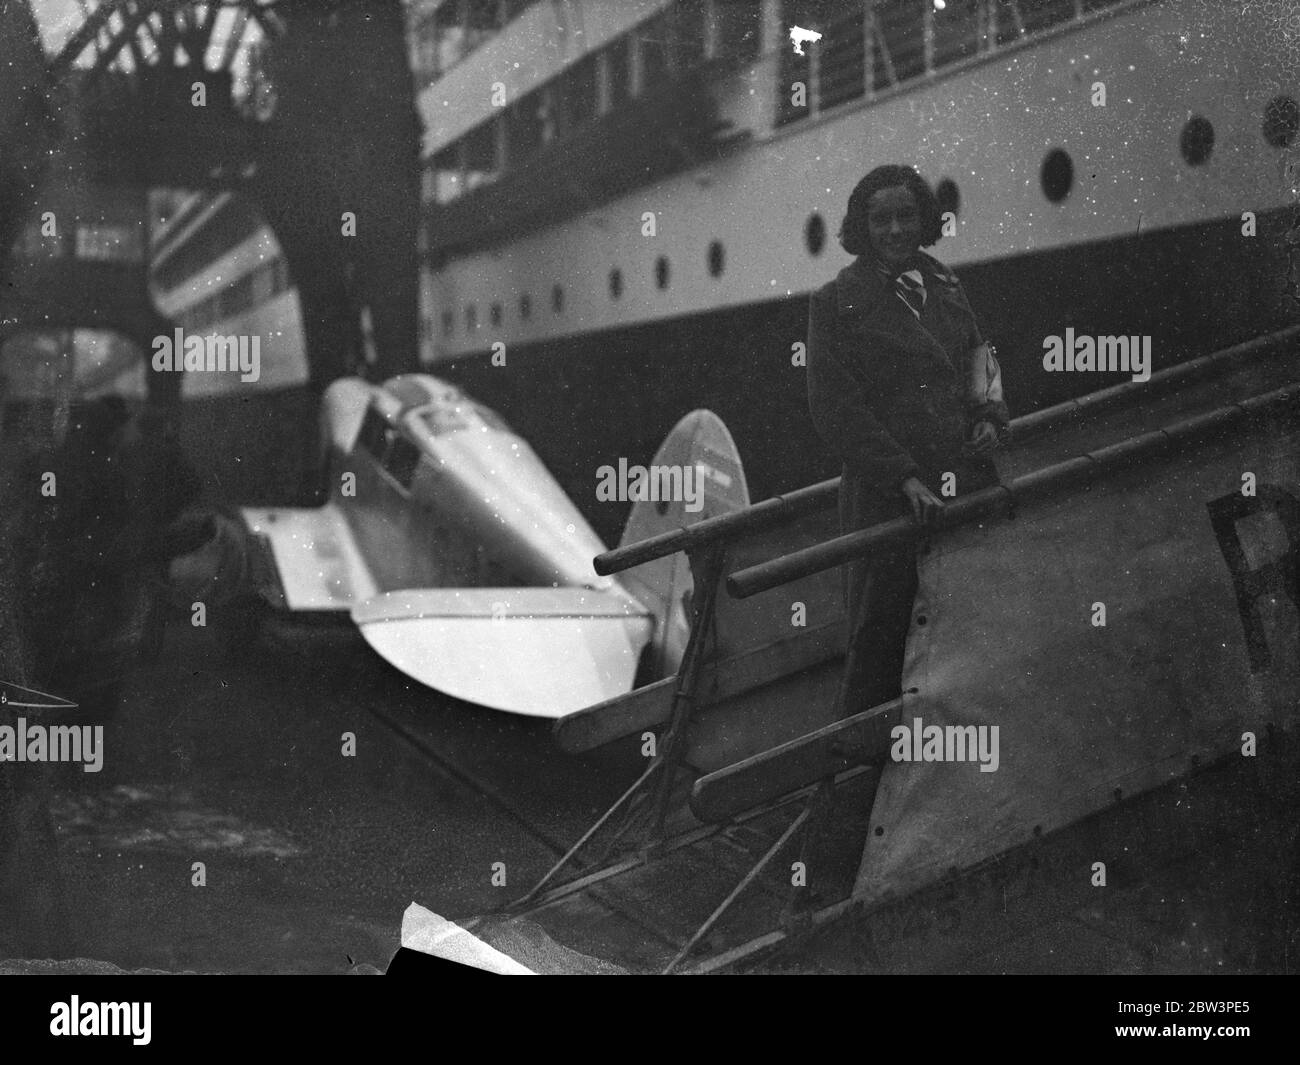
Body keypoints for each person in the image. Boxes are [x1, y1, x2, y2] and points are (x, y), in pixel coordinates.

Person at [806, 164, 1009, 716]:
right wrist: (904, 477)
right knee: (883, 639)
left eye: (906, 216)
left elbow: (978, 357)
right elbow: (836, 410)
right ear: (861, 228)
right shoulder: (834, 305)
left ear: (923, 221)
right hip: (886, 500)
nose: (895, 230)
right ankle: (868, 773)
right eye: (880, 220)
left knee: (970, 620)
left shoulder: (946, 285)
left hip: (961, 482)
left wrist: (989, 413)